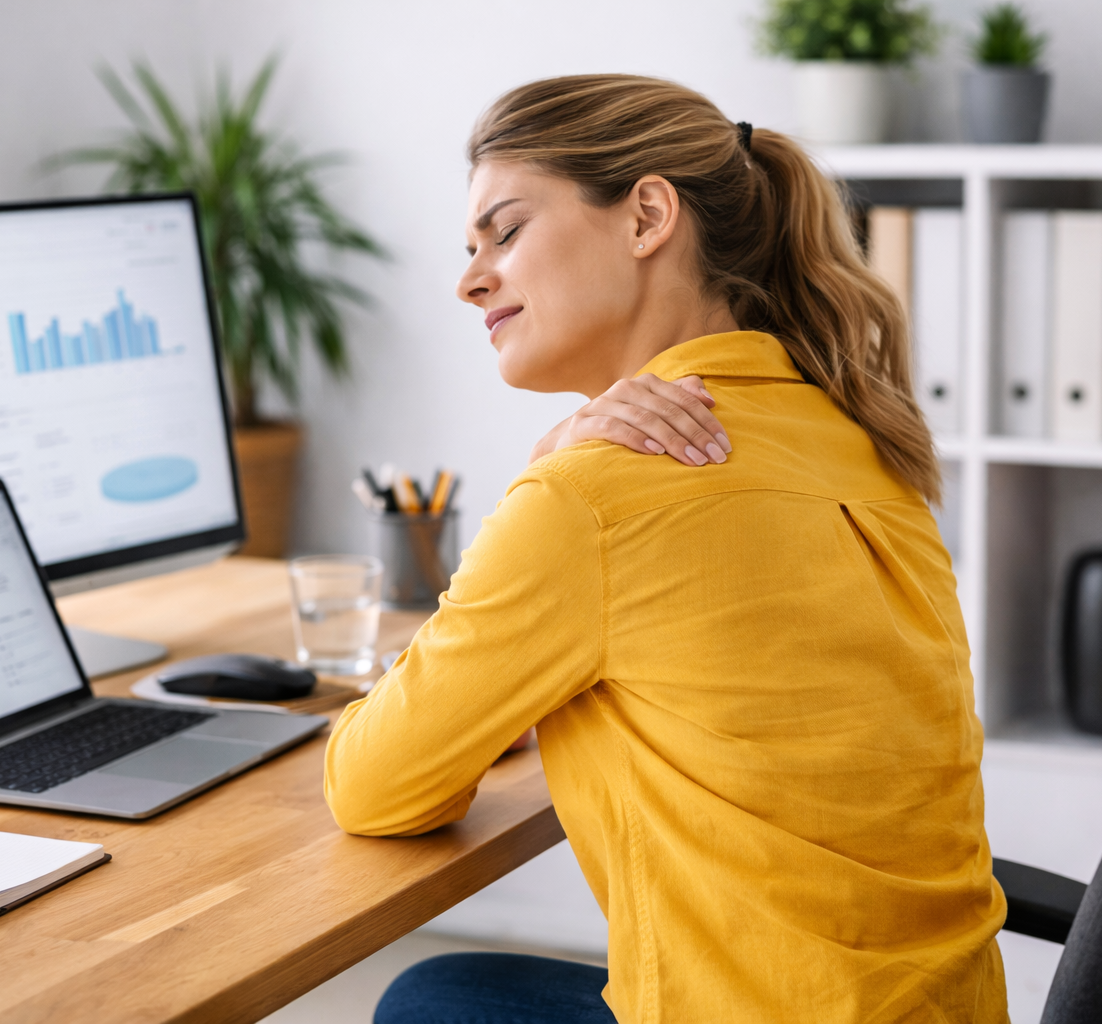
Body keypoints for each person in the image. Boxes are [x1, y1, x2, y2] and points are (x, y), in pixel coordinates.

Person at [324, 74, 1007, 1023]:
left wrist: (546, 476)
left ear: (648, 215)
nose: (471, 279)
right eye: (471, 248)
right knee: (454, 989)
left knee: (427, 1002)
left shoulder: (594, 498)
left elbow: (373, 788)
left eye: (507, 231)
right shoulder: (855, 433)